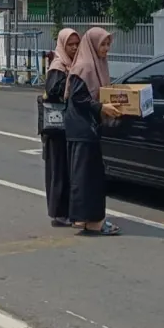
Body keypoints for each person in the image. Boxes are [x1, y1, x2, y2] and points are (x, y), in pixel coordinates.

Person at [64, 27, 122, 236]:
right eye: (103, 44)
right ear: (93, 45)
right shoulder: (85, 66)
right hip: (81, 128)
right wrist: (101, 108)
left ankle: (87, 220)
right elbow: (79, 98)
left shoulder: (98, 65)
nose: (106, 49)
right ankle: (91, 220)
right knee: (87, 175)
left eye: (108, 44)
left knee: (90, 175)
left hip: (88, 126)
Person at [43, 28, 80, 228]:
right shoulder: (59, 65)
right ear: (63, 46)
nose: (74, 48)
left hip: (67, 126)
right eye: (70, 44)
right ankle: (58, 213)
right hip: (57, 129)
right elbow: (53, 90)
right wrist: (72, 83)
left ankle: (67, 210)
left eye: (77, 44)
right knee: (58, 170)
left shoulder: (73, 65)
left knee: (67, 170)